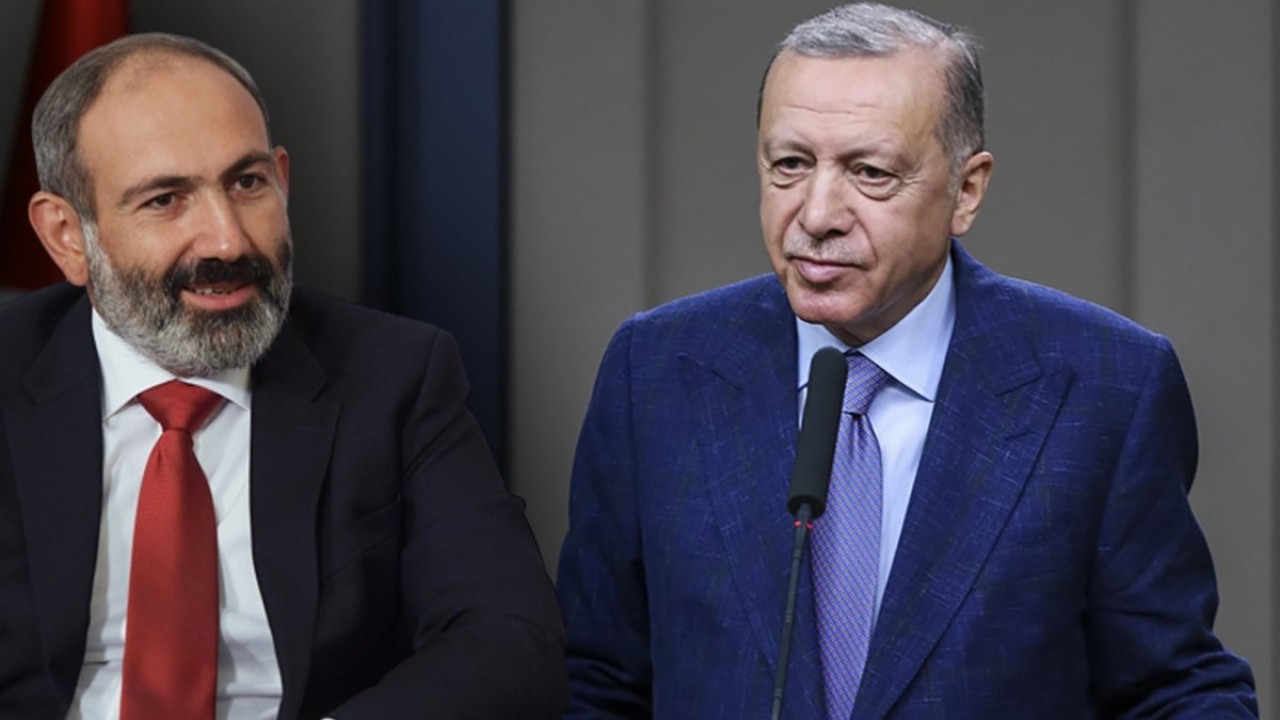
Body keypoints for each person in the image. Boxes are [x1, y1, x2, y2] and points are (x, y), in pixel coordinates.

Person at [556, 3, 1257, 718]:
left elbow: (1174, 687)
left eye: (870, 172)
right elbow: (594, 679)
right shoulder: (657, 371)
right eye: (790, 164)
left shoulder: (1106, 385)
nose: (817, 214)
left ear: (966, 190)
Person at [0, 33, 567, 719]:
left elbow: (511, 641)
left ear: (282, 179)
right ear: (66, 234)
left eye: (247, 183)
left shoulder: (393, 375)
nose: (227, 240)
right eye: (165, 200)